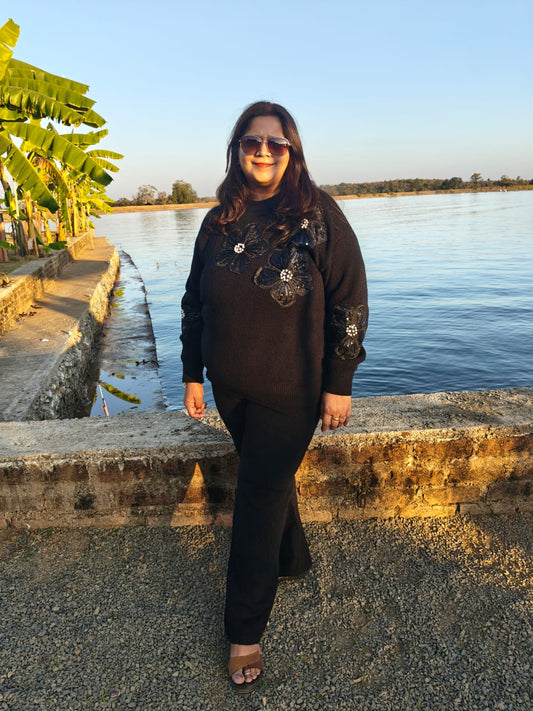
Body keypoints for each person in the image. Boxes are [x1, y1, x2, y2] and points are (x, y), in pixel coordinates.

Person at [180, 100, 368, 693]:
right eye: (252, 142)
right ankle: (291, 558)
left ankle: (244, 630)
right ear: (237, 150)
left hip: (292, 389)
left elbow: (350, 301)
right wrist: (192, 372)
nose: (263, 151)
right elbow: (194, 301)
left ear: (292, 152)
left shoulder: (317, 214)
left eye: (276, 143)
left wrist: (339, 383)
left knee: (257, 495)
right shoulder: (218, 221)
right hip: (229, 386)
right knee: (270, 481)